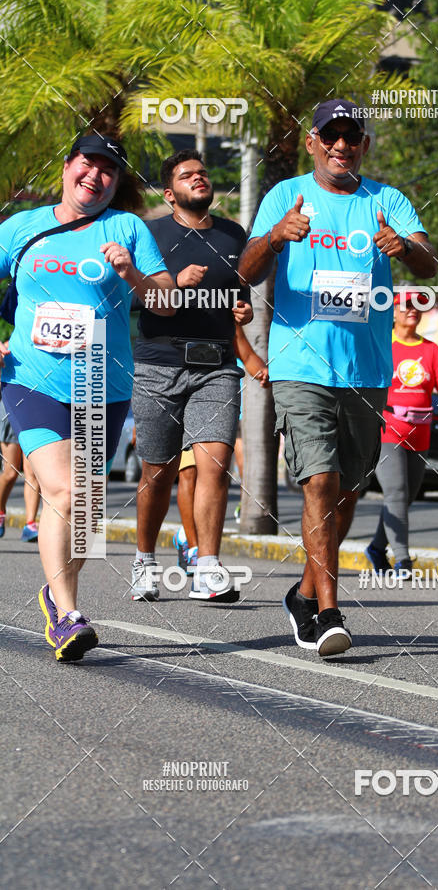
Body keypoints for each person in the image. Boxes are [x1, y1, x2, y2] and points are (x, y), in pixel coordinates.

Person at [239, 98, 436, 657]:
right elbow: (245, 269)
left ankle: (303, 593)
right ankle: (328, 611)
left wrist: (405, 247)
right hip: (300, 365)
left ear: (364, 145)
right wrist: (275, 237)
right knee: (320, 482)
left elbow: (428, 262)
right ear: (312, 142)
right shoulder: (286, 195)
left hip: (367, 370)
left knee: (347, 491)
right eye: (331, 136)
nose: (341, 146)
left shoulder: (387, 200)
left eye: (351, 137)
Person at [0, 134, 175, 662]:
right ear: (67, 166)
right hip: (32, 379)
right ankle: (67, 612)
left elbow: (166, 303)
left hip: (104, 385)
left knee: (85, 511)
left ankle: (56, 596)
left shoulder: (128, 229)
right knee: (67, 490)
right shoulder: (23, 227)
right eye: (87, 163)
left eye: (108, 170)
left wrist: (133, 275)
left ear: (115, 182)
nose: (95, 176)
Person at [131, 149, 252, 602]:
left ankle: (207, 566)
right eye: (187, 176)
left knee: (215, 464)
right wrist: (173, 284)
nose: (199, 178)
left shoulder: (233, 235)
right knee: (158, 472)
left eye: (202, 173)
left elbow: (241, 296)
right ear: (169, 193)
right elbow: (129, 296)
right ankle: (145, 560)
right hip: (159, 364)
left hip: (217, 366)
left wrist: (243, 310)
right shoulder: (151, 234)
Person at [365, 291, 438, 576]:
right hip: (388, 429)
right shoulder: (382, 344)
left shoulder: (431, 350)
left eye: (418, 306)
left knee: (406, 497)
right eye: (406, 305)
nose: (413, 310)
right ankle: (403, 559)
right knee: (396, 492)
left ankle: (376, 547)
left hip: (420, 433)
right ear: (393, 312)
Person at [173, 324, 269, 568]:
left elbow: (241, 344)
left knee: (214, 472)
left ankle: (203, 553)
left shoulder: (221, 306)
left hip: (216, 396)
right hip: (177, 391)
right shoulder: (174, 302)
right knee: (188, 473)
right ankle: (192, 545)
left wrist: (261, 371)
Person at [0, 394, 41, 540]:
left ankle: (30, 525)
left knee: (32, 473)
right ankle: (0, 511)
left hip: (35, 412)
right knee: (10, 473)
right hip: (11, 409)